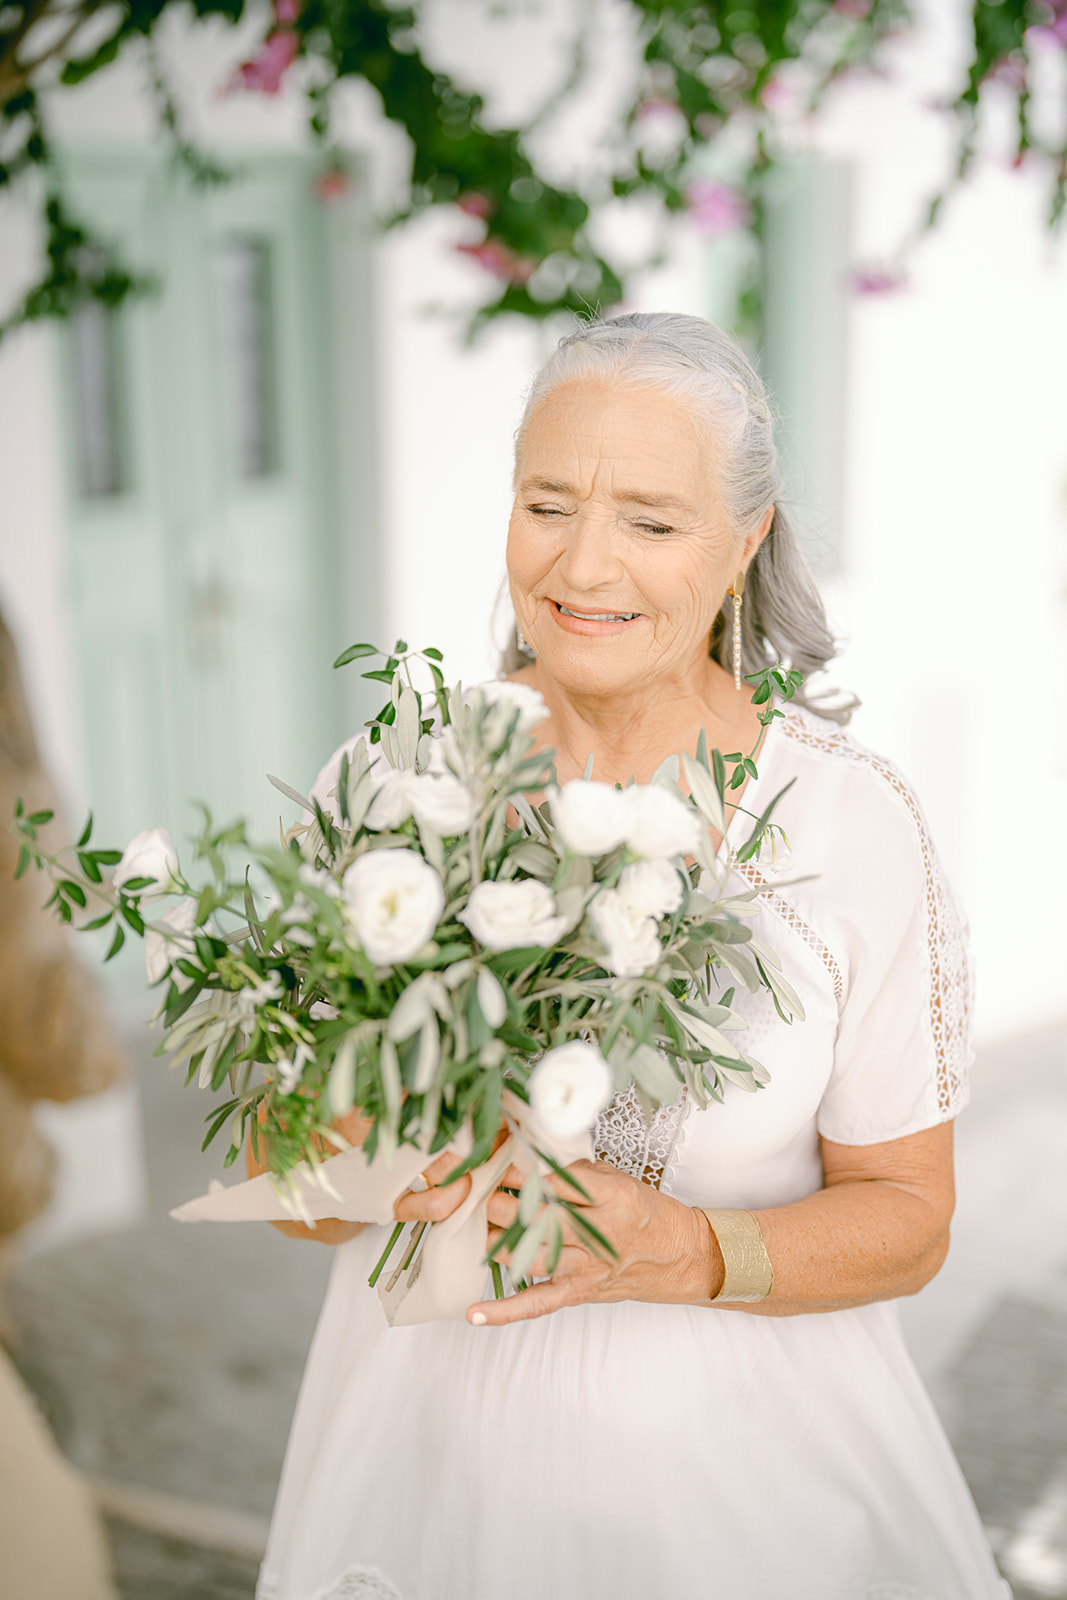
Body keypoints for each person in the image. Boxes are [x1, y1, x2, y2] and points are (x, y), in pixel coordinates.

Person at [253, 313, 1010, 1600]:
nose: (583, 563)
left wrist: (688, 1248)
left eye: (650, 522)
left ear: (741, 542)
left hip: (739, 1497)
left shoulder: (848, 827)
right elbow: (290, 1174)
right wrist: (362, 1143)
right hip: (420, 1471)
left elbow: (907, 1216)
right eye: (548, 503)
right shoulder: (394, 783)